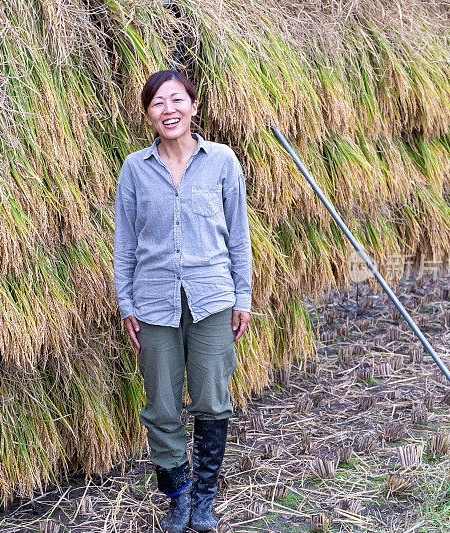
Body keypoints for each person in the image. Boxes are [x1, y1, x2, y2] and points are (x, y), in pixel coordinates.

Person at [113, 69, 252, 533]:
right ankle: (178, 497)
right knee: (162, 407)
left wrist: (243, 295)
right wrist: (126, 303)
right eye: (157, 103)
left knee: (212, 401)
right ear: (148, 114)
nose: (167, 110)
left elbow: (239, 237)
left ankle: (205, 500)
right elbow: (125, 244)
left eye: (176, 100)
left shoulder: (223, 162)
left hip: (212, 298)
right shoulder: (135, 168)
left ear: (194, 107)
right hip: (154, 304)